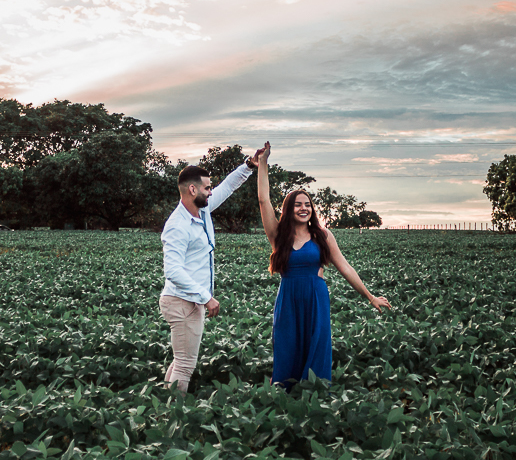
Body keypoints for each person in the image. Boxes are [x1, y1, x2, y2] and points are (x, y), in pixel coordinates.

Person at [256, 142, 391, 388]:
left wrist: (370, 297)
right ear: (288, 209)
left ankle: (315, 397)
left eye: (307, 204)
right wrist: (263, 164)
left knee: (316, 345)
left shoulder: (323, 236)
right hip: (288, 298)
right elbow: (264, 201)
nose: (303, 208)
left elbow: (346, 268)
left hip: (316, 298)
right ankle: (285, 399)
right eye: (298, 204)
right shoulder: (278, 235)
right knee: (287, 346)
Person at [159, 150, 262, 393]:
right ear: (193, 190)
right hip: (182, 302)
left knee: (180, 361)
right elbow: (172, 271)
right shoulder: (177, 225)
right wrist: (206, 297)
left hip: (189, 300)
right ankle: (173, 417)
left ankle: (166, 405)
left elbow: (227, 187)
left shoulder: (202, 211)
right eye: (207, 187)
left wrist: (248, 165)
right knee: (185, 365)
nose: (211, 191)